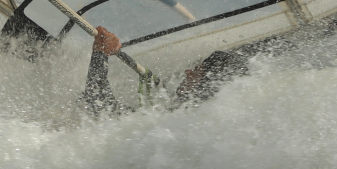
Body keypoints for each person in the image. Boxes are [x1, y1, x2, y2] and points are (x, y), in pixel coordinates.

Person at [82, 27, 248, 115]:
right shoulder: (184, 122)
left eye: (197, 71)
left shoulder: (170, 125)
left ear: (207, 86)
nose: (188, 72)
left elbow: (101, 110)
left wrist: (100, 53)